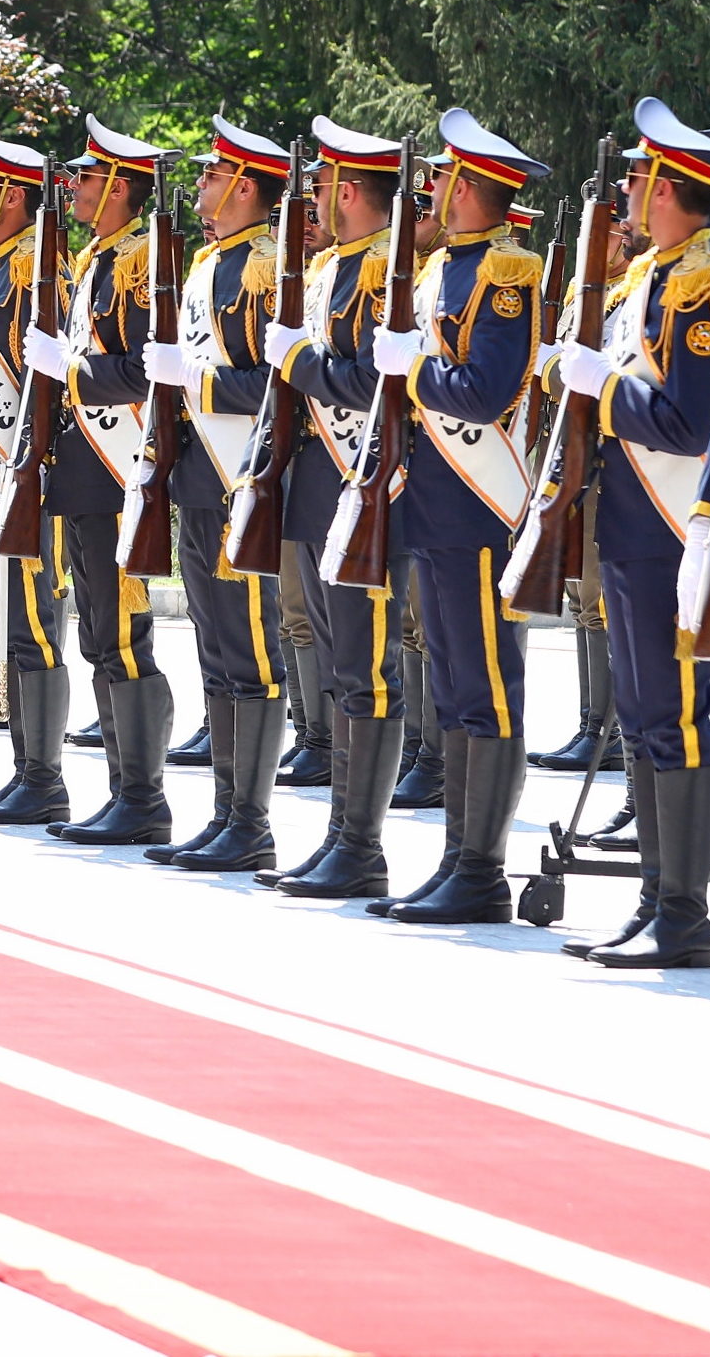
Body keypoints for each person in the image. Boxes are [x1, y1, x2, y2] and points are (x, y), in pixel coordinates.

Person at [554, 101, 710, 967]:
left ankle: (684, 915)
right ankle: (654, 897)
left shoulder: (698, 285)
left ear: (666, 187)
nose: (625, 189)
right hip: (627, 523)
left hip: (668, 526)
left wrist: (602, 389)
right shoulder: (642, 280)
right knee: (643, 715)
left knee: (676, 720)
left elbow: (690, 421)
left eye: (635, 176)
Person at [370, 109, 549, 926]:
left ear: (473, 187)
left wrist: (412, 374)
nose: (432, 191)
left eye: (443, 179)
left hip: (480, 503)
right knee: (450, 687)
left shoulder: (506, 272)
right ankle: (455, 859)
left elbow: (486, 390)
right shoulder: (443, 265)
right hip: (435, 498)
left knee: (486, 690)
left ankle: (481, 869)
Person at [259, 117, 415, 898]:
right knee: (334, 665)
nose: (314, 197)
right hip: (318, 481)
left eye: (321, 184)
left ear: (348, 190)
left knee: (363, 669)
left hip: (363, 480)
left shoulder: (390, 273)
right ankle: (338, 835)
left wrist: (296, 359)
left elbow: (370, 383)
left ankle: (361, 845)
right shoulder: (331, 269)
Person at [139, 116, 292, 870]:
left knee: (250, 651)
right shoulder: (207, 265)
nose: (200, 185)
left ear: (242, 185)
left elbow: (274, 383)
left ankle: (251, 822)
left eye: (210, 174)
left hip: (242, 480)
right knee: (214, 650)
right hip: (200, 476)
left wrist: (190, 379)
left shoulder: (264, 268)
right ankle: (226, 811)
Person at [31, 117, 178, 846]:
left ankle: (143, 798)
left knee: (121, 636)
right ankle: (125, 791)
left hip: (116, 467)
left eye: (85, 178)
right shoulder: (100, 257)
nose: (73, 187)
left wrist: (71, 372)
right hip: (86, 468)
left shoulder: (138, 263)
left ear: (119, 188)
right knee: (99, 635)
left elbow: (146, 369)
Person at [0, 132, 78, 824]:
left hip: (21, 468)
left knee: (30, 619)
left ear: (13, 195)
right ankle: (27, 768)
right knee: (5, 620)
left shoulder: (38, 267)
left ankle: (44, 776)